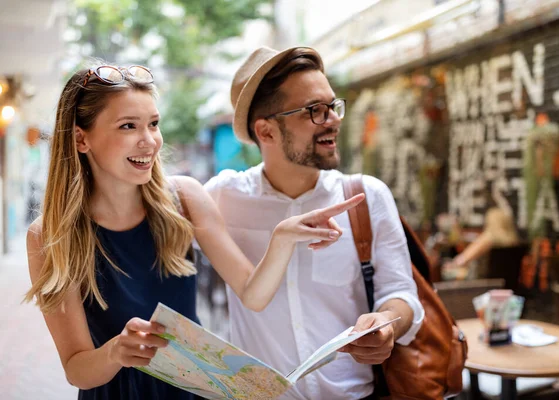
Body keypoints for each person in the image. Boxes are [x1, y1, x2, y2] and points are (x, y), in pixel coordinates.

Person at [23, 63, 364, 400]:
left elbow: (253, 293)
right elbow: (76, 368)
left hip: (192, 392)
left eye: (153, 124)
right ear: (82, 139)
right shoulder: (49, 237)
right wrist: (115, 352)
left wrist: (283, 237)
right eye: (129, 126)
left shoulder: (184, 198)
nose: (149, 141)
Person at [204, 47, 425, 400]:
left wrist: (386, 326)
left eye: (333, 106)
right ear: (267, 131)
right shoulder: (221, 198)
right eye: (314, 111)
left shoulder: (366, 196)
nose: (334, 120)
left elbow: (401, 296)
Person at [444, 207, 519, 279]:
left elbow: (463, 259)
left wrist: (451, 264)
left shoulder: (487, 239)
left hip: (484, 284)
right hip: (509, 286)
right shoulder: (514, 241)